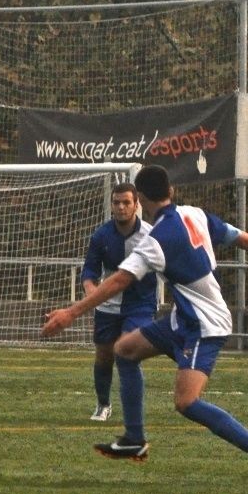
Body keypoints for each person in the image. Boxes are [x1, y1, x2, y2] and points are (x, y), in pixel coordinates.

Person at [42, 164, 248, 488]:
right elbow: (239, 237)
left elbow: (119, 280)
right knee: (125, 350)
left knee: (186, 402)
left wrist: (71, 313)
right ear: (171, 192)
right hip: (182, 318)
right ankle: (134, 438)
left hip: (204, 324)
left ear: (141, 199)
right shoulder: (194, 214)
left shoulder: (156, 240)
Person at [80, 183, 157, 437]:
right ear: (111, 205)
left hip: (140, 305)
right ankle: (103, 404)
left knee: (128, 350)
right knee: (104, 355)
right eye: (116, 203)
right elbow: (89, 273)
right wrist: (93, 293)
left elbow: (169, 267)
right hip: (108, 306)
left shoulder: (152, 235)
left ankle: (133, 413)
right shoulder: (101, 236)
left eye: (126, 202)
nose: (121, 207)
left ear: (137, 204)